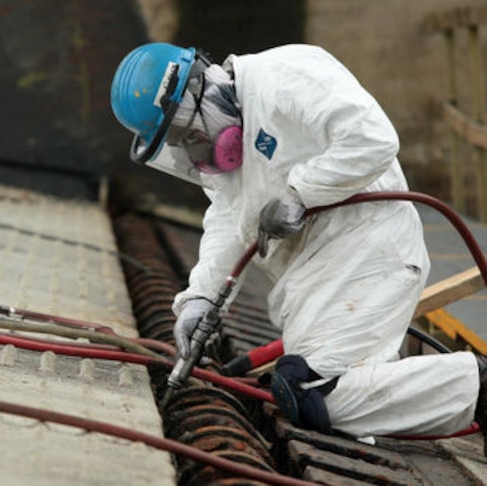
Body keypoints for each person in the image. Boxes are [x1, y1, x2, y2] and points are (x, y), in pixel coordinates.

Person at [110, 42, 486, 445]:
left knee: (314, 391)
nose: (194, 147)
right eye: (182, 142)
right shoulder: (224, 147)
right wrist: (199, 297)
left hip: (370, 252)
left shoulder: (288, 76)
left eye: (190, 133)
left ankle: (479, 389)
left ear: (203, 87)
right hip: (319, 274)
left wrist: (300, 194)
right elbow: (226, 218)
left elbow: (373, 140)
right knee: (306, 389)